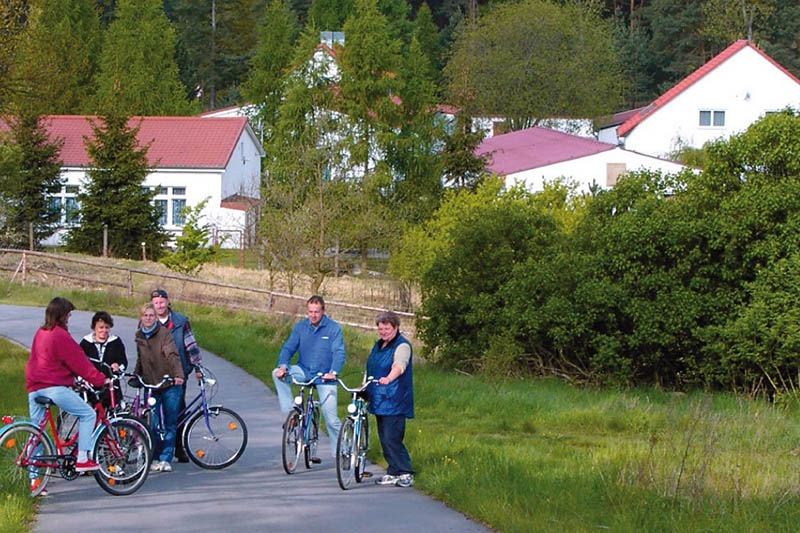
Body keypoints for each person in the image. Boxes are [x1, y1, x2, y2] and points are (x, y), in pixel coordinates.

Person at [25, 297, 109, 493]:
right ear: (62, 315)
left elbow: (51, 361)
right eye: (68, 314)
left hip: (34, 388)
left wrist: (71, 379)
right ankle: (82, 459)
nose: (70, 318)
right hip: (53, 387)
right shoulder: (60, 335)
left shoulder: (41, 332)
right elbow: (79, 362)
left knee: (37, 433)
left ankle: (35, 482)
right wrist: (99, 380)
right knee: (88, 414)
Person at [272, 295, 345, 460]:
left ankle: (342, 453)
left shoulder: (333, 328)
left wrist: (333, 372)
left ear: (323, 311)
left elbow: (339, 352)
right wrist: (283, 365)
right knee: (275, 373)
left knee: (331, 419)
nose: (313, 315)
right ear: (307, 311)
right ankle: (291, 412)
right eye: (310, 312)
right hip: (304, 371)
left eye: (317, 312)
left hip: (325, 377)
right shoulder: (301, 327)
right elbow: (288, 348)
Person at [150, 288, 202, 462]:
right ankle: (156, 450)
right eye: (156, 303)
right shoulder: (148, 320)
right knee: (155, 412)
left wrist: (197, 367)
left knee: (177, 410)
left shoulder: (180, 321)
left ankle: (178, 448)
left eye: (162, 302)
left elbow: (190, 344)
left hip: (178, 373)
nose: (159, 305)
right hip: (155, 374)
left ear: (168, 302)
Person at [366, 310, 415, 488]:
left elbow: (399, 365)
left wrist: (389, 378)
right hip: (379, 399)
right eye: (380, 329)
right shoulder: (378, 346)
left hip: (395, 398)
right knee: (384, 437)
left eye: (387, 328)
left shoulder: (402, 346)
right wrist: (363, 386)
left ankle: (405, 472)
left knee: (392, 437)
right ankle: (393, 471)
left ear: (395, 327)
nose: (383, 332)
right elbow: (371, 367)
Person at [134, 302, 184, 473]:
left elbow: (172, 354)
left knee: (169, 421)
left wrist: (178, 375)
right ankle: (154, 456)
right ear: (141, 318)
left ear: (156, 317)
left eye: (151, 315)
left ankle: (165, 458)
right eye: (145, 315)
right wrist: (136, 374)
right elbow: (141, 358)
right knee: (152, 423)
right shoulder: (139, 335)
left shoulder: (164, 333)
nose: (148, 318)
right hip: (151, 384)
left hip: (168, 382)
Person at [80, 311, 127, 407]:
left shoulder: (116, 342)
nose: (104, 330)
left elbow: (123, 361)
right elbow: (79, 363)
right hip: (91, 387)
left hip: (110, 386)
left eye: (107, 327)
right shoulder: (86, 343)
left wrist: (118, 366)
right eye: (101, 327)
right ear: (94, 328)